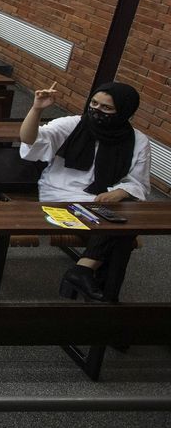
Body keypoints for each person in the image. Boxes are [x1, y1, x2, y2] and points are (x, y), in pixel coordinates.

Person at [21, 82, 150, 301]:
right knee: (120, 233)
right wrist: (37, 109)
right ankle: (90, 280)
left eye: (107, 108)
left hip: (101, 200)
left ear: (125, 112)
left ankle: (83, 273)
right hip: (60, 196)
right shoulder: (73, 124)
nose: (97, 111)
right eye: (94, 103)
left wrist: (120, 191)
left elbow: (137, 181)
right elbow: (29, 139)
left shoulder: (137, 141)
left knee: (123, 228)